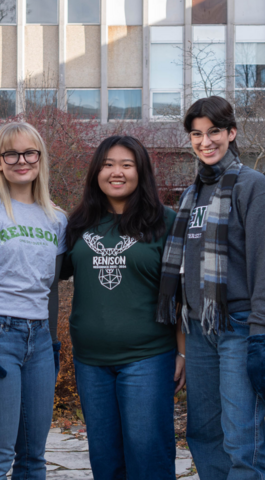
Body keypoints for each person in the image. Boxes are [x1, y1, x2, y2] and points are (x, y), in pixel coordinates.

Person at [158, 96, 265, 480]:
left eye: (213, 131)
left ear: (231, 132)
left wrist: (263, 334)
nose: (204, 141)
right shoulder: (192, 193)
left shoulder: (252, 187)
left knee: (241, 440)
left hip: (241, 328)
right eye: (196, 134)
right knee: (204, 433)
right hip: (199, 331)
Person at [61, 135, 185, 480]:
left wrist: (183, 352)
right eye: (108, 164)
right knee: (105, 459)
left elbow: (182, 294)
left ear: (140, 172)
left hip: (148, 357)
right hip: (90, 362)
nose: (117, 172)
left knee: (148, 457)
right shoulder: (78, 224)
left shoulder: (167, 222)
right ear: (96, 172)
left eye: (126, 165)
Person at [0, 122, 67, 480]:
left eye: (29, 153)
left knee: (33, 457)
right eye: (11, 154)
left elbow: (50, 289)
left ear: (40, 158)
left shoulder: (57, 218)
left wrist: (52, 341)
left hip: (38, 341)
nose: (21, 160)